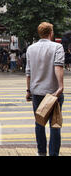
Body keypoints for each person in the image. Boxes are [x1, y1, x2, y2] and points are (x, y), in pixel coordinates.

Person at [26, 22, 65, 156]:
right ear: (51, 33)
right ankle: (53, 153)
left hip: (36, 92)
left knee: (39, 124)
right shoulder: (57, 47)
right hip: (53, 93)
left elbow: (28, 71)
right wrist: (60, 87)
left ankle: (41, 152)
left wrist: (28, 90)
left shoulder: (31, 48)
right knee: (54, 126)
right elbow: (58, 66)